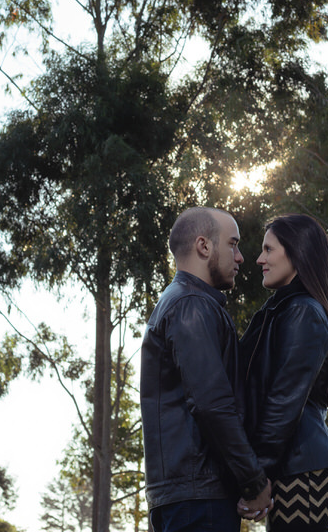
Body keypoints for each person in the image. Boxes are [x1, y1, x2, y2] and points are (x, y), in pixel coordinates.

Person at [141, 207, 273, 532]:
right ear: (204, 246)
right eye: (233, 244)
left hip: (187, 496)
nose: (241, 257)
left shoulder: (185, 302)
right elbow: (212, 405)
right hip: (198, 499)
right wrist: (254, 481)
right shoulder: (191, 305)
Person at [238, 213, 328, 532]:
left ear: (297, 252)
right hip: (297, 463)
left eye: (268, 250)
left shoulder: (304, 312)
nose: (259, 259)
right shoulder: (281, 309)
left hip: (306, 466)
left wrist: (257, 479)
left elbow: (283, 402)